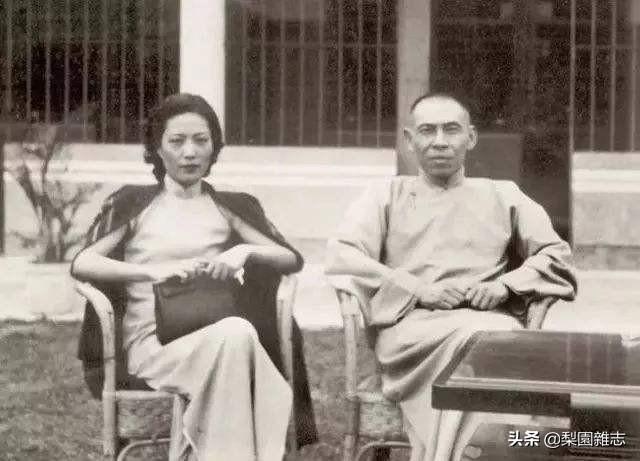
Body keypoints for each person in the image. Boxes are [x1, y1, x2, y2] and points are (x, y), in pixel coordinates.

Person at [325, 93, 577, 461]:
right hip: (413, 336)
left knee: (495, 342)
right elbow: (343, 254)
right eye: (427, 131)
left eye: (451, 130)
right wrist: (416, 289)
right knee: (488, 343)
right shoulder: (385, 195)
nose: (440, 141)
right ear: (409, 140)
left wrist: (504, 286)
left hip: (489, 325)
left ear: (470, 138)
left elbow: (557, 254)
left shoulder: (502, 195)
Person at [72, 93, 317, 460]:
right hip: (154, 345)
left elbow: (289, 258)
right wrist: (151, 270)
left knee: (236, 336)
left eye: (201, 140)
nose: (190, 152)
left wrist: (244, 252)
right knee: (239, 337)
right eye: (177, 141)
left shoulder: (230, 207)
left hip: (218, 335)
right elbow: (83, 263)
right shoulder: (134, 204)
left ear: (214, 147)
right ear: (157, 148)